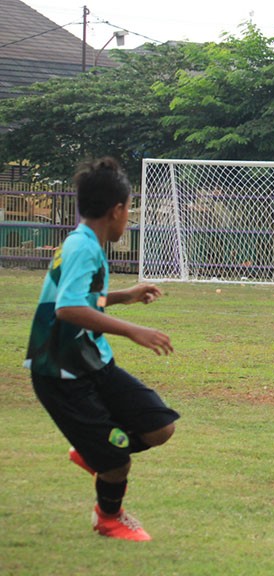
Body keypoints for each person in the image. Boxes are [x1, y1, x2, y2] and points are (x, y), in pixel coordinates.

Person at [24, 157, 179, 541]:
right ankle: (108, 517)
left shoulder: (86, 243)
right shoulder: (82, 247)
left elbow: (83, 299)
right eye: (130, 210)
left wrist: (125, 296)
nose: (129, 218)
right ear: (117, 210)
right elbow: (67, 308)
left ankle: (92, 451)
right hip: (61, 373)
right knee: (116, 462)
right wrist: (132, 331)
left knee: (160, 426)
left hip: (92, 361)